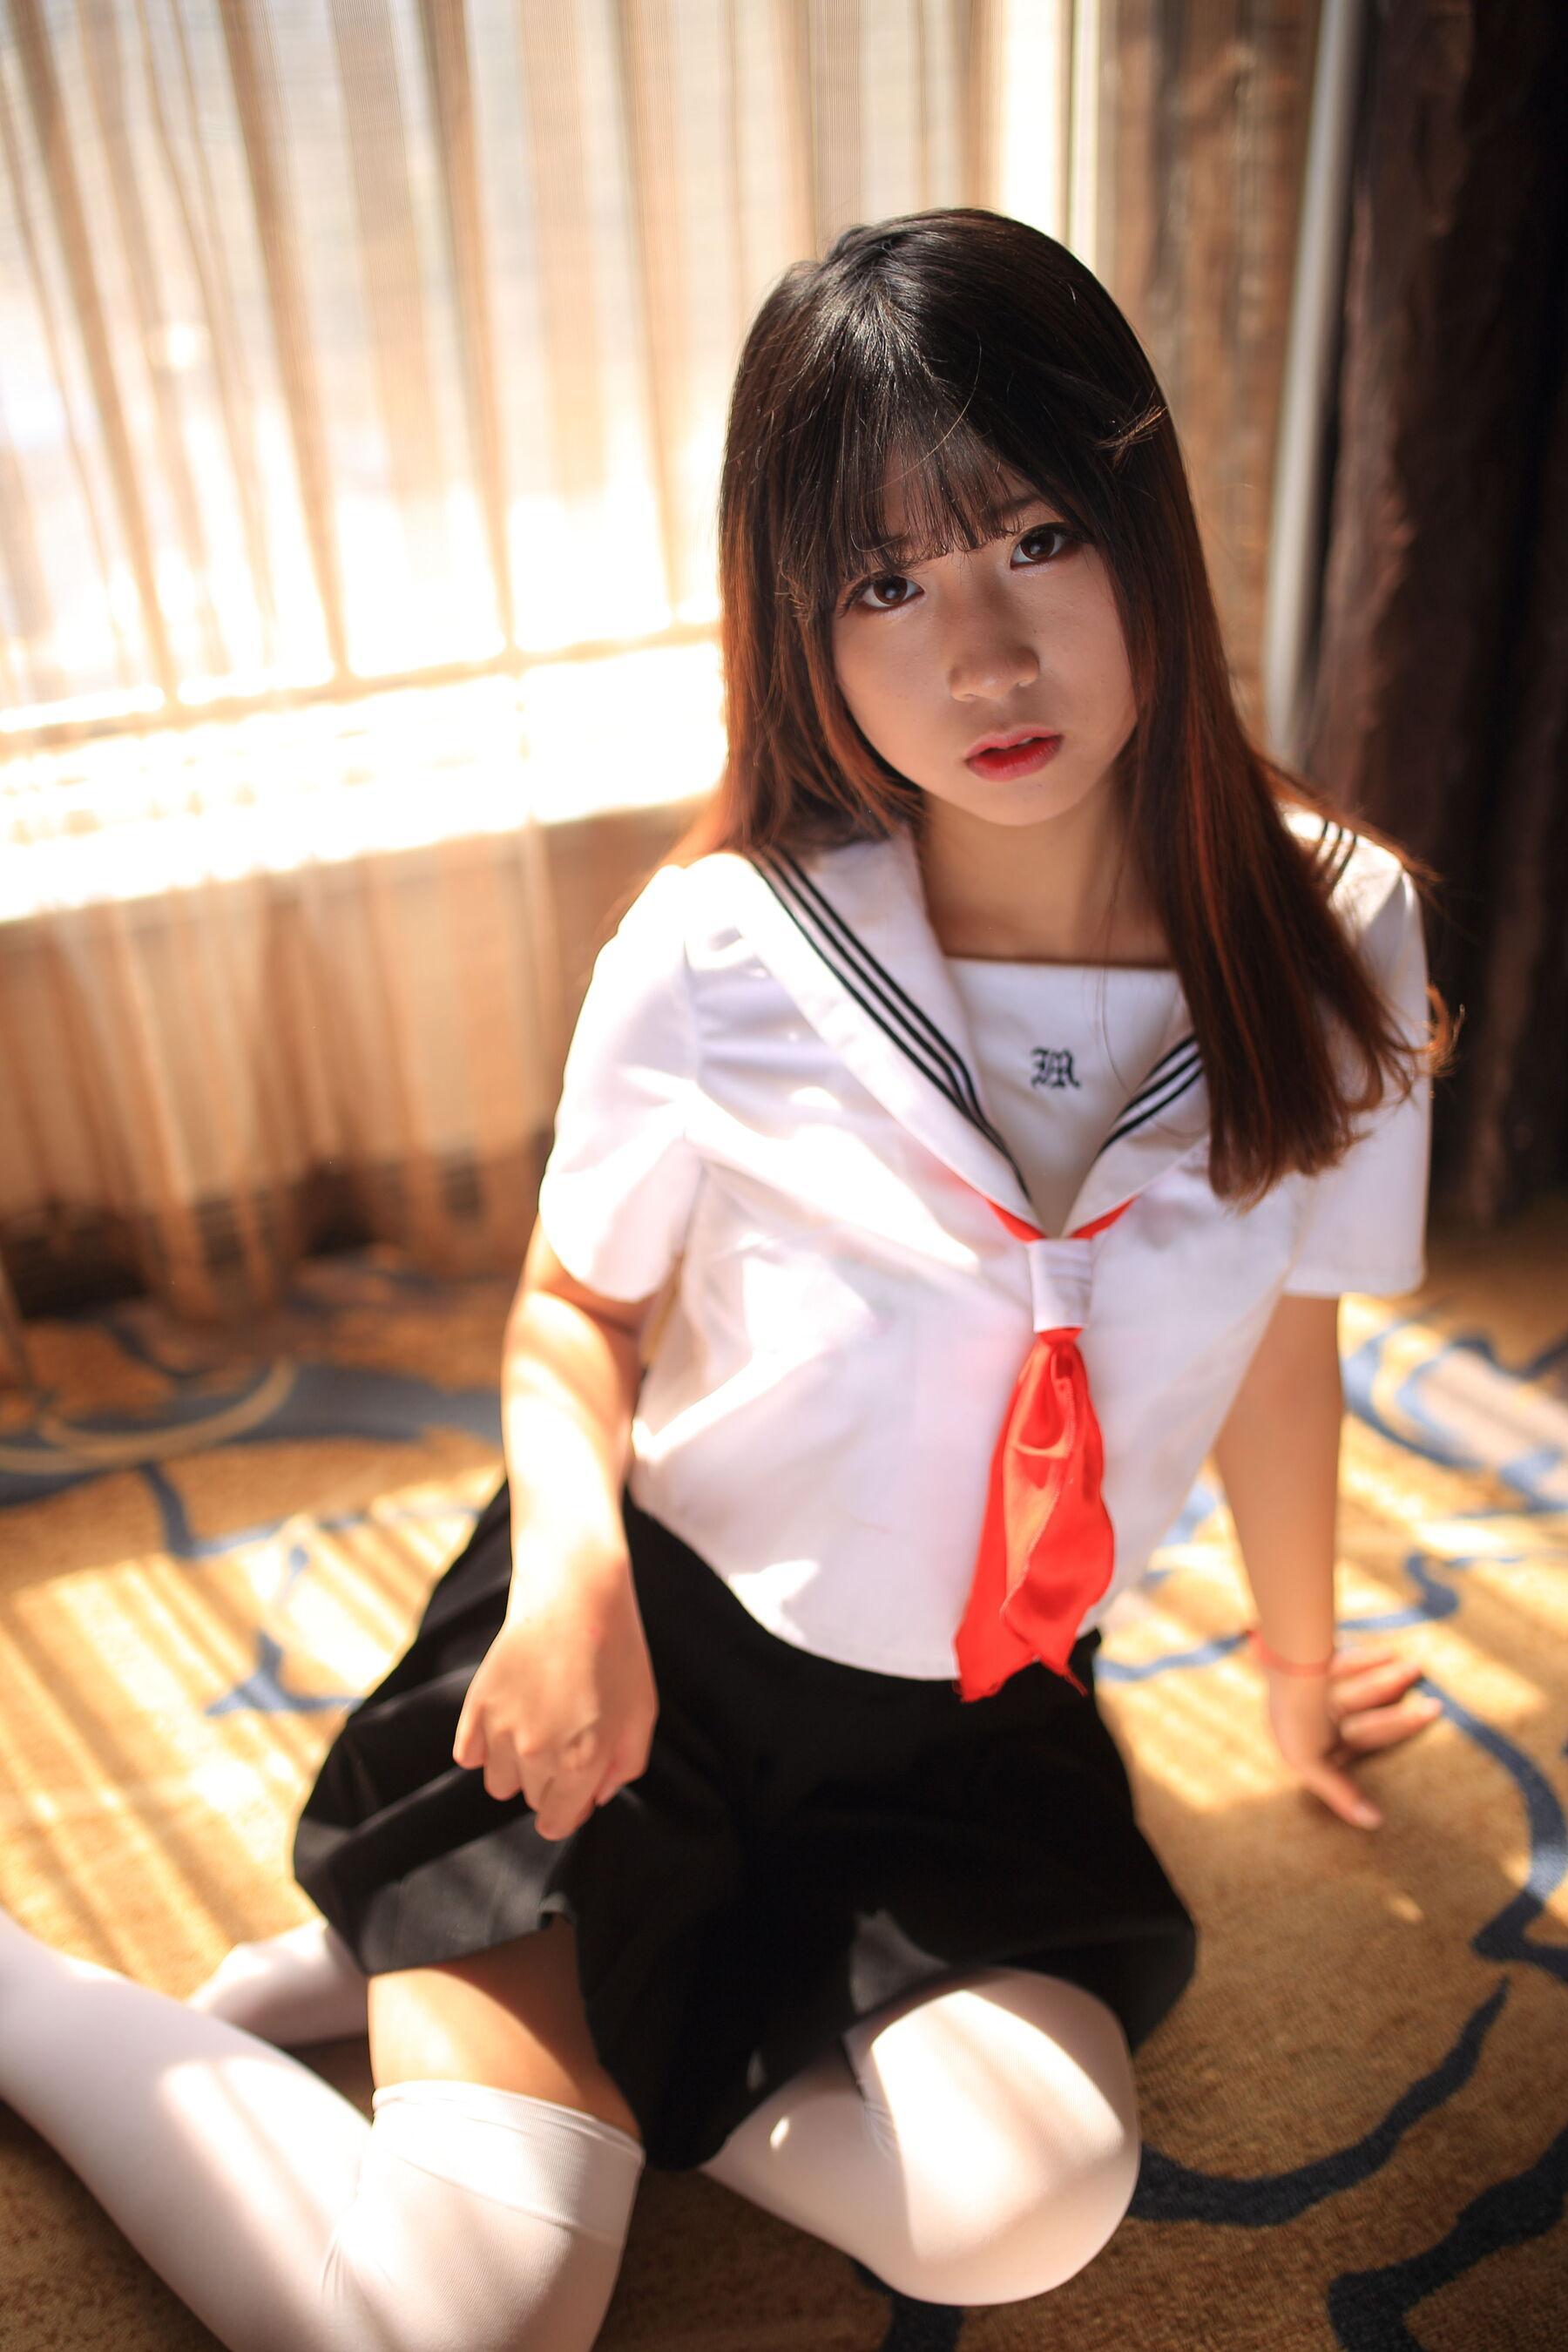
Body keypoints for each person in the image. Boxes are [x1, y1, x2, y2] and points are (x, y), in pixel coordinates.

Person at [0, 208, 1455, 2352]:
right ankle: (51, 1997)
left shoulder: (1342, 939)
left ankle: (493, 1997)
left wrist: (1296, 1662)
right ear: (801, 625)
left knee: (1031, 2208)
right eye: (886, 584)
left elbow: (1284, 1329)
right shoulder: (725, 949)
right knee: (466, 2325)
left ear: (1146, 523)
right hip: (639, 1666)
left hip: (971, 1728)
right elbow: (570, 1314)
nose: (984, 657)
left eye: (1037, 537)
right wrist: (571, 1571)